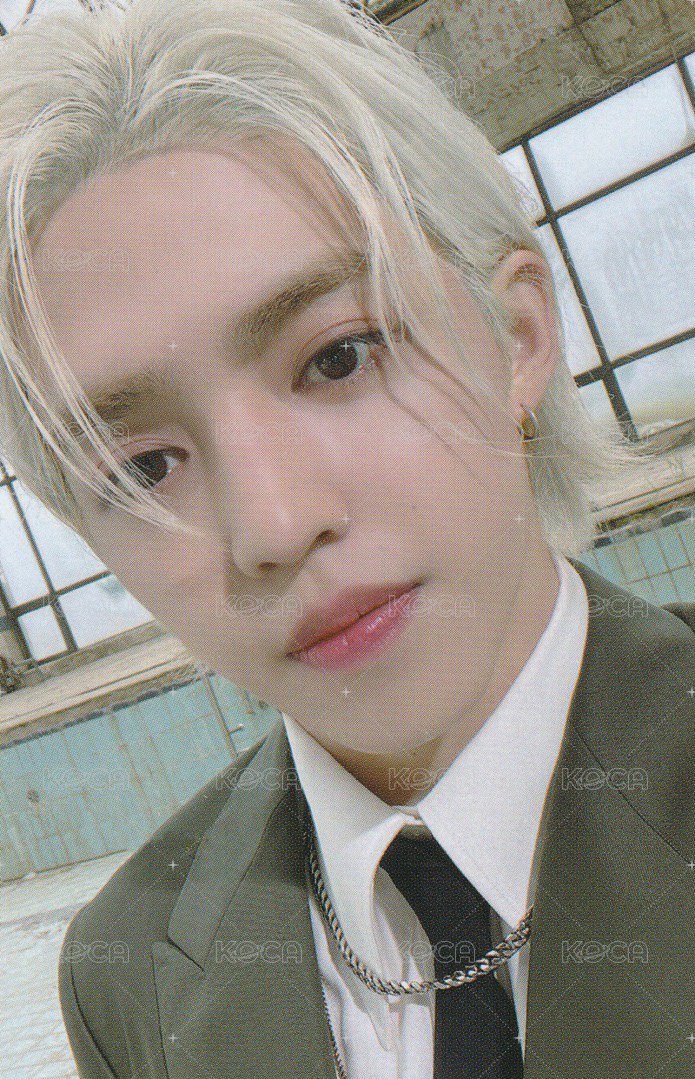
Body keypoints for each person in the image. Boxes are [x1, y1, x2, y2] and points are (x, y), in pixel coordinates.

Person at [0, 1, 692, 1076]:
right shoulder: (126, 973)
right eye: (141, 468)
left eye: (338, 357)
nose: (272, 525)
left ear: (515, 335)